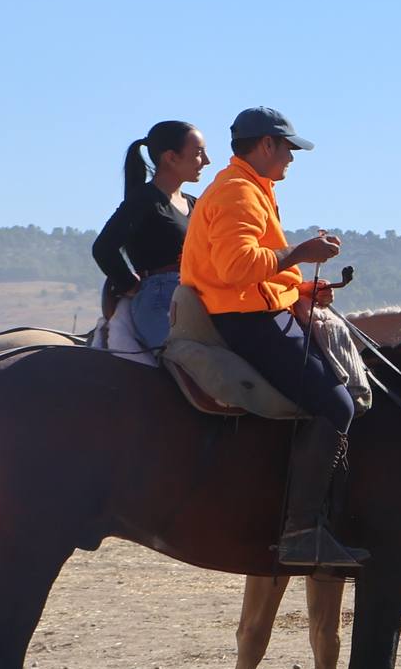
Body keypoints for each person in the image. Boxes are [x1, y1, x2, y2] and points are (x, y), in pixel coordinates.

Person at [178, 107, 361, 568]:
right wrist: (301, 251)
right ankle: (302, 531)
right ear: (265, 145)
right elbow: (236, 268)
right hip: (246, 322)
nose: (292, 160)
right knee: (337, 404)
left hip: (252, 309)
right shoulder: (238, 193)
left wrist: (298, 286)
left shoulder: (247, 188)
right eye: (288, 149)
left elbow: (253, 271)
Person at [92, 120, 208, 357]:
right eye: (198, 153)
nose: (206, 161)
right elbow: (104, 248)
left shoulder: (195, 204)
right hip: (160, 298)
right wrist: (130, 285)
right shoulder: (144, 199)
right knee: (190, 362)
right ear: (171, 158)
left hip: (197, 296)